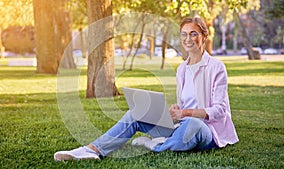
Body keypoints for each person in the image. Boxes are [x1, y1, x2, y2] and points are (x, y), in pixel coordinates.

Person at [54, 16, 239, 161]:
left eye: (194, 34)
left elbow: (220, 111)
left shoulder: (216, 67)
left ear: (204, 37)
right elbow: (185, 105)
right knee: (136, 113)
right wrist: (176, 110)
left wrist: (185, 113)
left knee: (193, 124)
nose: (188, 38)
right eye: (184, 34)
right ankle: (93, 149)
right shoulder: (182, 69)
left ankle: (155, 145)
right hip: (182, 125)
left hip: (208, 132)